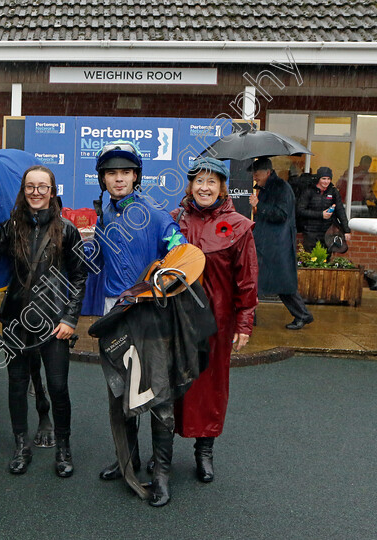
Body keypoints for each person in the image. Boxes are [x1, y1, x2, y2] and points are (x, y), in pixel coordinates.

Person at [0, 165, 87, 477]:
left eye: (42, 187)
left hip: (55, 322)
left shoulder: (67, 230)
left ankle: (63, 447)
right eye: (30, 186)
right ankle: (21, 446)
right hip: (18, 322)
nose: (36, 192)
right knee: (17, 386)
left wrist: (71, 319)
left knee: (58, 387)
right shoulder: (10, 227)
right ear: (23, 190)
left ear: (52, 191)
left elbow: (80, 276)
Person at [90, 140, 186, 507]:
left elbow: (182, 257)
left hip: (148, 313)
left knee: (158, 395)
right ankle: (126, 458)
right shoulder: (106, 214)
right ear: (103, 179)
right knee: (120, 391)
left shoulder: (156, 213)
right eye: (111, 173)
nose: (118, 179)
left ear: (136, 176)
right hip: (115, 314)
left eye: (125, 172)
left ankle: (161, 474)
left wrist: (154, 284)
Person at [172, 157, 258, 484]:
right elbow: (163, 263)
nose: (204, 188)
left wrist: (244, 322)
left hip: (217, 321)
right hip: (177, 318)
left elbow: (247, 278)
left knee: (209, 385)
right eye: (199, 181)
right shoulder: (175, 221)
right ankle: (162, 449)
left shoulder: (237, 226)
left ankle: (204, 450)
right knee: (171, 382)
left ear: (221, 187)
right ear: (190, 185)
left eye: (211, 182)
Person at [249, 157, 313, 330]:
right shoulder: (267, 187)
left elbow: (281, 214)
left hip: (278, 245)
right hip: (266, 242)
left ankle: (302, 315)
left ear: (268, 172)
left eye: (257, 173)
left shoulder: (281, 188)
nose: (255, 177)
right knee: (254, 279)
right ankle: (249, 317)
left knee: (283, 282)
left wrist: (259, 205)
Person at [297, 166, 351, 253]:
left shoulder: (333, 192)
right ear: (319, 178)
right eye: (323, 178)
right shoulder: (309, 191)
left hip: (328, 231)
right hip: (311, 230)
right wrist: (321, 214)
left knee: (327, 256)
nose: (326, 181)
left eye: (329, 179)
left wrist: (346, 230)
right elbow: (300, 210)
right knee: (311, 257)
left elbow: (340, 211)